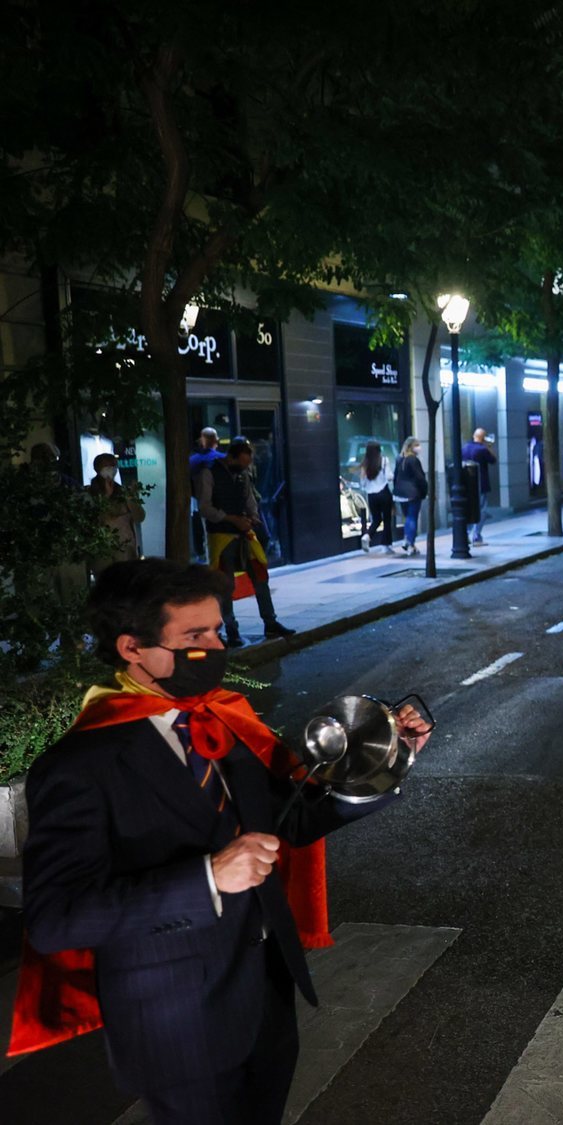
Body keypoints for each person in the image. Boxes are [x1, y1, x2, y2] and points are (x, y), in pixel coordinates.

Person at [20, 558, 431, 1124]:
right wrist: (208, 877)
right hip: (174, 1021)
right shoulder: (81, 764)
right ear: (132, 648)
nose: (215, 647)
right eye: (194, 636)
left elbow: (287, 824)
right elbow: (57, 918)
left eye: (217, 629)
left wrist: (386, 761)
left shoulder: (222, 720)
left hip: (265, 995)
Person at [194, 438, 295, 646]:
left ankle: (270, 622)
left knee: (260, 576)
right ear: (231, 457)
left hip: (244, 532)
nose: (245, 468)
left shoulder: (242, 474)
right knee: (225, 584)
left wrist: (252, 516)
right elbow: (205, 508)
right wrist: (231, 519)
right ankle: (231, 630)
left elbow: (249, 499)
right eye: (242, 462)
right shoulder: (209, 473)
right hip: (221, 535)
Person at [86, 452, 146, 573]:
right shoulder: (89, 493)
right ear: (97, 469)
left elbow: (140, 517)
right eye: (107, 466)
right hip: (102, 552)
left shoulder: (123, 492)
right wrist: (106, 497)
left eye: (114, 466)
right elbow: (94, 520)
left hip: (126, 550)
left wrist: (130, 497)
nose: (111, 469)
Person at [190, 428, 226, 561]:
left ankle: (206, 560)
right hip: (222, 505)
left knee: (204, 535)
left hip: (199, 504)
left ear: (202, 441)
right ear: (216, 441)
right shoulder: (222, 459)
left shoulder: (193, 461)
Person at [460, 428, 498, 545]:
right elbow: (493, 460)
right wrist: (489, 447)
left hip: (467, 485)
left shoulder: (465, 448)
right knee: (482, 510)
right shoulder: (482, 449)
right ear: (483, 438)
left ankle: (465, 534)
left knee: (469, 509)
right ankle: (476, 535)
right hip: (481, 484)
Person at [358, 441, 397, 554]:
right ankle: (386, 545)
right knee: (387, 519)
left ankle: (367, 535)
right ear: (379, 450)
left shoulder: (365, 464)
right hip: (384, 493)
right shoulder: (384, 460)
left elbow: (363, 482)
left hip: (372, 495)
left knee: (376, 519)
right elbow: (389, 477)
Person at [393, 436, 428, 555]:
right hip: (413, 493)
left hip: (400, 493)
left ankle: (407, 540)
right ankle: (410, 543)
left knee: (407, 517)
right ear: (411, 447)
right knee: (412, 517)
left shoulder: (399, 458)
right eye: (416, 445)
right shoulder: (413, 460)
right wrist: (425, 491)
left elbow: (395, 476)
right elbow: (420, 478)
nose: (419, 447)